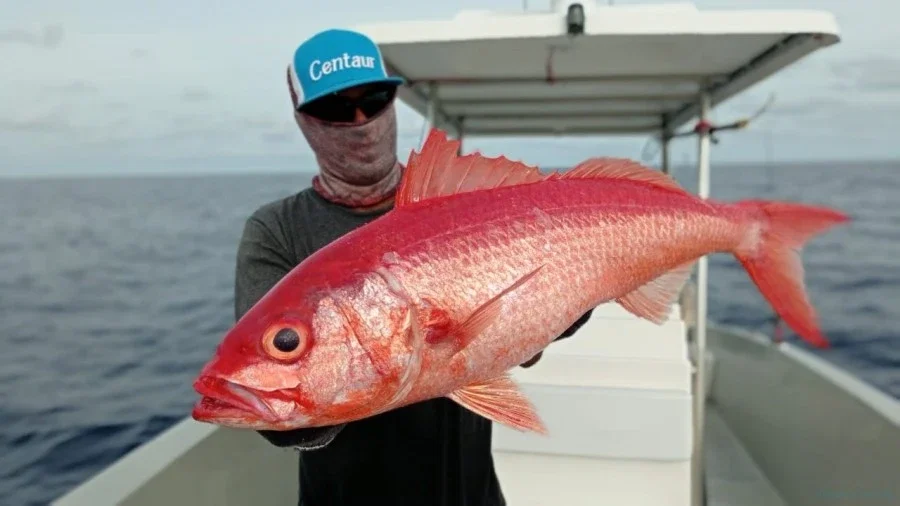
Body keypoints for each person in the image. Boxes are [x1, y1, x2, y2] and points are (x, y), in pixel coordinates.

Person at [233, 28, 594, 506]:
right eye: (335, 108)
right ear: (304, 121)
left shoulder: (462, 201)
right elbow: (276, 397)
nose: (361, 122)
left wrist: (563, 305)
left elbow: (521, 345)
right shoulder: (276, 230)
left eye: (375, 100)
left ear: (393, 103)